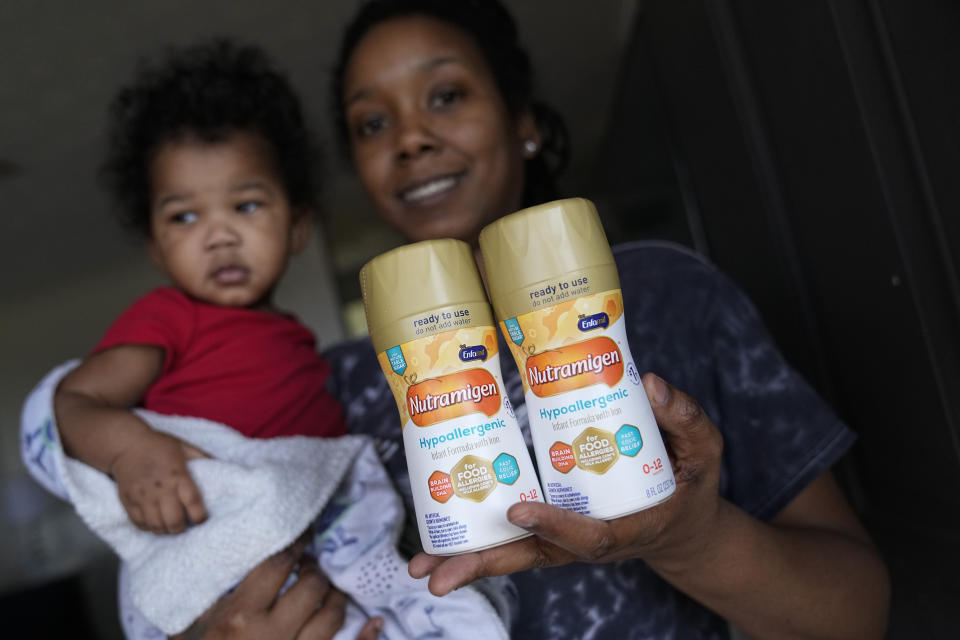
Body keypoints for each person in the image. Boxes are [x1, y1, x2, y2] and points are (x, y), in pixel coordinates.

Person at [319, 1, 891, 639]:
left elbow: (856, 615)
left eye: (447, 95)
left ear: (523, 122)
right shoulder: (334, 386)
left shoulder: (667, 291)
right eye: (372, 122)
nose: (410, 139)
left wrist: (689, 540)